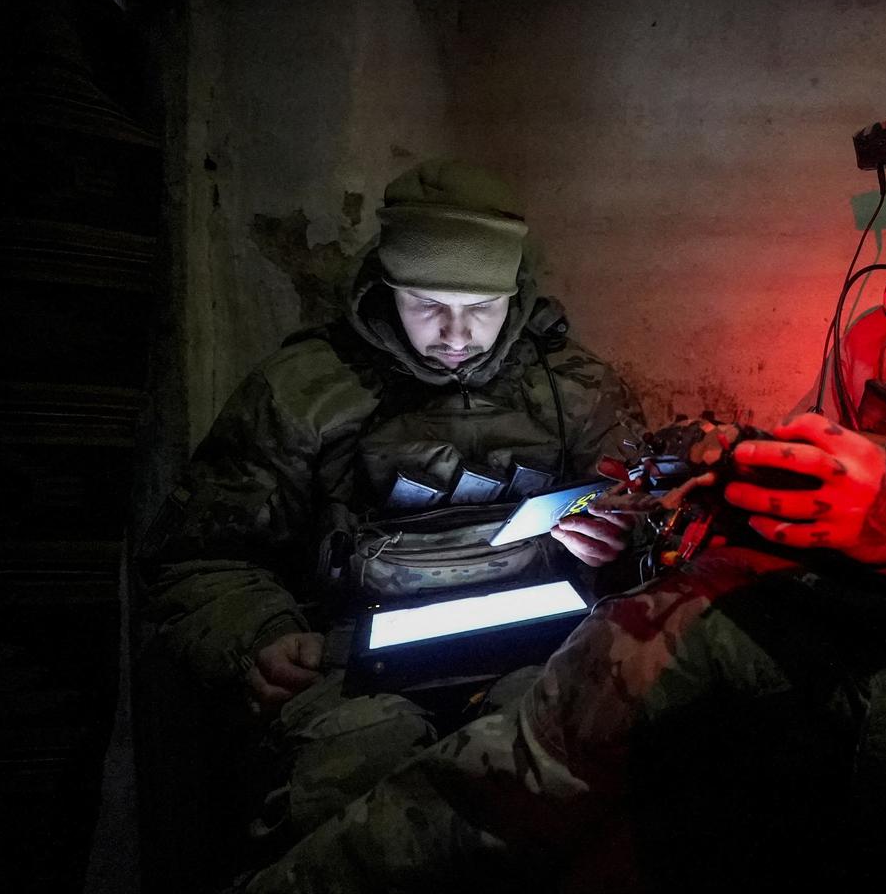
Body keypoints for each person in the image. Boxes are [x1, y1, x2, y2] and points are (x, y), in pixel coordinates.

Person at [237, 34, 886, 892]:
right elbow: (814, 495)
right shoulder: (875, 322)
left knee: (661, 719)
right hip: (860, 644)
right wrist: (708, 505)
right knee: (602, 699)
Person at [136, 159, 642, 873]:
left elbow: (654, 537)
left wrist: (617, 539)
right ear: (385, 287)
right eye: (429, 303)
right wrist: (262, 635)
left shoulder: (573, 389)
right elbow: (199, 556)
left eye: (484, 307)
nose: (457, 334)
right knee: (359, 777)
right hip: (351, 666)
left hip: (536, 645)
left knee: (555, 760)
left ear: (517, 295)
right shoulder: (306, 393)